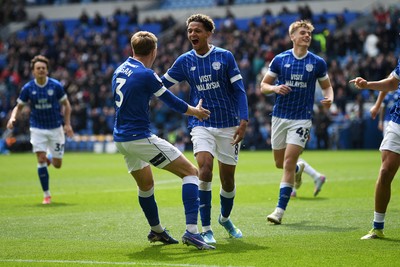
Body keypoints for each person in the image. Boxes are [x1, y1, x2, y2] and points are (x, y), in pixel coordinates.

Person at [112, 31, 215, 250]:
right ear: (154, 51)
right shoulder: (146, 74)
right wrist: (195, 112)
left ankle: (157, 230)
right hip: (138, 136)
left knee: (146, 185)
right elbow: (171, 100)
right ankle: (192, 232)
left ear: (132, 49)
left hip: (121, 139)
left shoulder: (120, 69)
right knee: (190, 172)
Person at [161, 14, 248, 244]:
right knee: (205, 168)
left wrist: (244, 120)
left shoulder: (225, 57)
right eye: (190, 31)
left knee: (228, 180)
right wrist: (140, 83)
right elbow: (161, 85)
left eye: (197, 30)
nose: (192, 35)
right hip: (201, 123)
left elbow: (239, 90)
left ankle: (225, 218)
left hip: (229, 123)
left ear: (209, 33)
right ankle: (206, 228)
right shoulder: (184, 61)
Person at [260, 20, 334, 224]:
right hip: (279, 117)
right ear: (292, 36)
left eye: (309, 33)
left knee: (288, 162)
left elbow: (327, 87)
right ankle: (300, 170)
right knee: (280, 163)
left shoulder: (317, 62)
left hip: (301, 119)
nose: (307, 36)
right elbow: (263, 85)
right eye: (303, 33)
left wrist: (330, 98)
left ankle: (278, 211)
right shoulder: (280, 59)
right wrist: (275, 88)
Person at [6, 55, 74, 205]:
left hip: (56, 127)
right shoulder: (28, 88)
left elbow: (67, 105)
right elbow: (19, 106)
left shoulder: (55, 86)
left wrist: (67, 124)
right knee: (40, 160)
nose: (41, 70)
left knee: (57, 164)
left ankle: (51, 156)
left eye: (43, 68)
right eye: (38, 68)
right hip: (37, 128)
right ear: (33, 71)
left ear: (47, 70)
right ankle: (47, 195)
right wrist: (12, 118)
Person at [349, 70, 400, 240]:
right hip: (397, 121)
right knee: (385, 172)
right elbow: (392, 83)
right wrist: (367, 84)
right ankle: (377, 227)